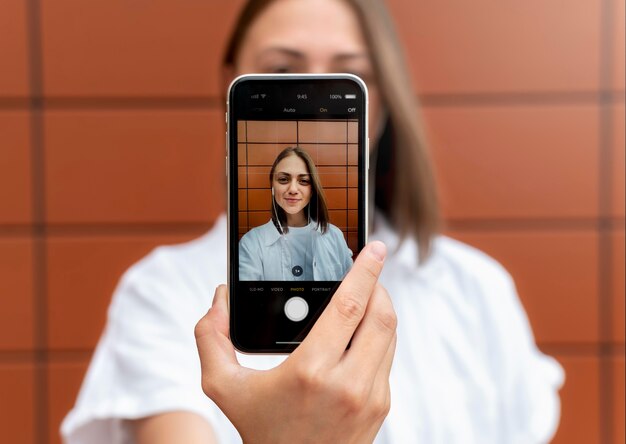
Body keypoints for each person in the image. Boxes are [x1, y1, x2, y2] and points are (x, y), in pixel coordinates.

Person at [61, 0, 564, 443]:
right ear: (230, 88)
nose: (316, 100)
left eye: (351, 77)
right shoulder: (161, 293)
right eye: (281, 73)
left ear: (382, 102)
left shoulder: (478, 290)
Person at [239, 146, 353, 281]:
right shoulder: (251, 243)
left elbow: (350, 287)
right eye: (283, 179)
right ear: (272, 186)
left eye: (303, 181)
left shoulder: (334, 236)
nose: (293, 189)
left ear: (312, 189)